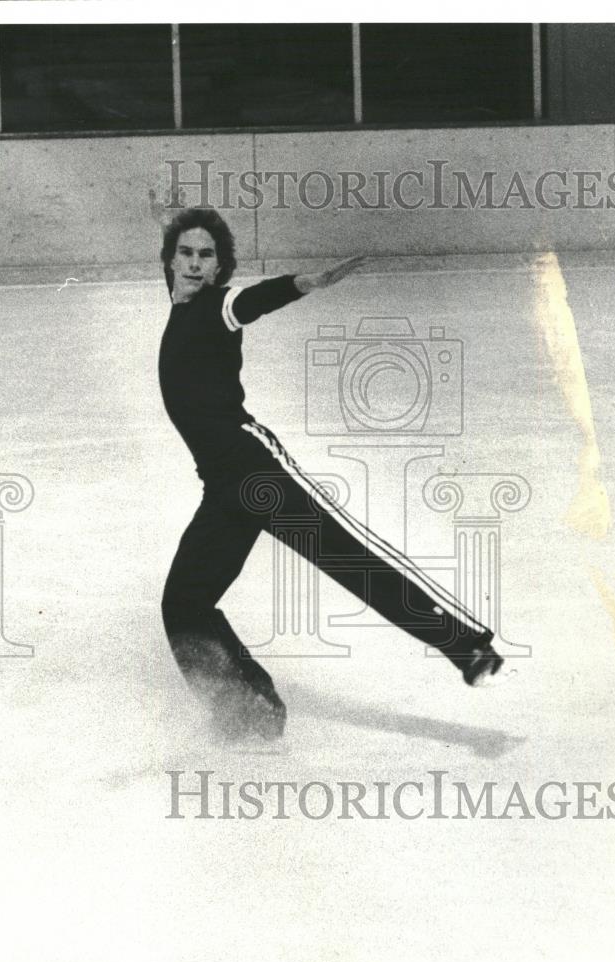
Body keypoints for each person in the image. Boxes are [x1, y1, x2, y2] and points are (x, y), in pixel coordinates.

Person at [154, 201, 508, 741]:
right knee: (184, 602)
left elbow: (249, 302)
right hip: (222, 487)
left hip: (255, 473)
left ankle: (466, 646)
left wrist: (303, 283)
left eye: (208, 255)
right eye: (187, 253)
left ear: (221, 267)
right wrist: (167, 214)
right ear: (171, 259)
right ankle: (249, 712)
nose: (197, 263)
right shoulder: (183, 307)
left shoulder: (216, 307)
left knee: (347, 558)